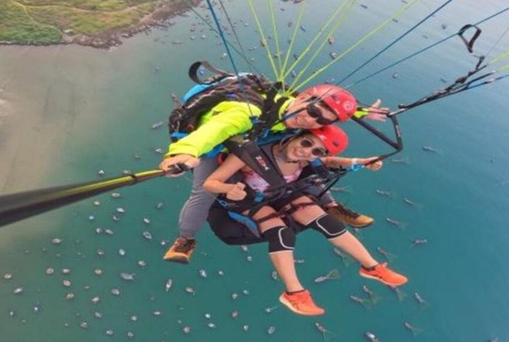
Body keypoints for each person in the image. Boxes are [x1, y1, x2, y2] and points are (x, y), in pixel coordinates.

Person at [162, 84, 380, 264]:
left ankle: (330, 206)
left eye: (321, 121)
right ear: (303, 97)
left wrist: (362, 112)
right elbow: (214, 131)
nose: (310, 120)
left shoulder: (295, 109)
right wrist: (184, 152)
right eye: (312, 111)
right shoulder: (245, 113)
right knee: (203, 192)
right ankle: (186, 239)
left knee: (302, 162)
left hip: (255, 138)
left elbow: (325, 114)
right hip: (218, 145)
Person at [203, 126, 408, 316]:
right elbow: (210, 183)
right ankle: (294, 293)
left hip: (280, 194)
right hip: (250, 199)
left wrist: (357, 162)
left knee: (328, 222)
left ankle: (371, 267)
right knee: (282, 234)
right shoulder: (251, 155)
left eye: (316, 151)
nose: (306, 152)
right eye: (306, 143)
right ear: (295, 136)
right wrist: (229, 189)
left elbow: (328, 162)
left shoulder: (305, 159)